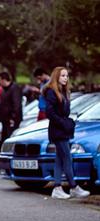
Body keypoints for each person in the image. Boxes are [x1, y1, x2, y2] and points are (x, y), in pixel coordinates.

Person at [43, 66, 89, 199]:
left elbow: (63, 111)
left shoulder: (64, 91)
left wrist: (68, 122)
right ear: (56, 76)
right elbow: (50, 112)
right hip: (58, 130)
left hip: (63, 130)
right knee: (67, 158)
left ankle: (57, 187)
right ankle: (73, 187)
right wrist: (63, 123)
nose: (65, 78)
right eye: (63, 75)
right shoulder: (52, 91)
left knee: (59, 159)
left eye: (67, 76)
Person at [0, 72, 22, 141]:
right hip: (5, 119)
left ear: (4, 80)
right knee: (4, 138)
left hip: (11, 120)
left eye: (0, 80)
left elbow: (16, 104)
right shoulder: (4, 90)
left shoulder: (14, 88)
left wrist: (13, 117)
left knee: (10, 138)